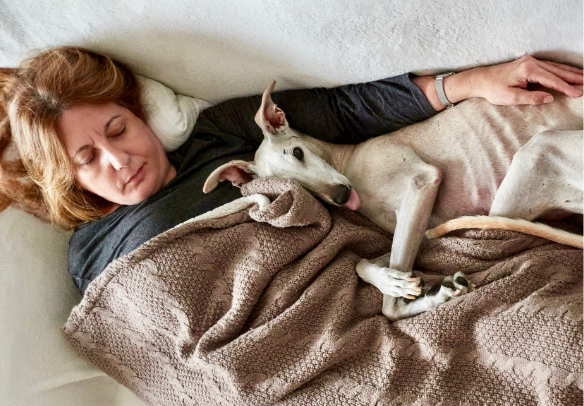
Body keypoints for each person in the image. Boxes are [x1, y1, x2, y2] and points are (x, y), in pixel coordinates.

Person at [0, 47, 583, 295]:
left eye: (118, 128)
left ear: (137, 112)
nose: (118, 159)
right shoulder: (94, 251)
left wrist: (467, 83)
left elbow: (342, 111)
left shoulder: (220, 135)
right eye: (87, 159)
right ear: (69, 181)